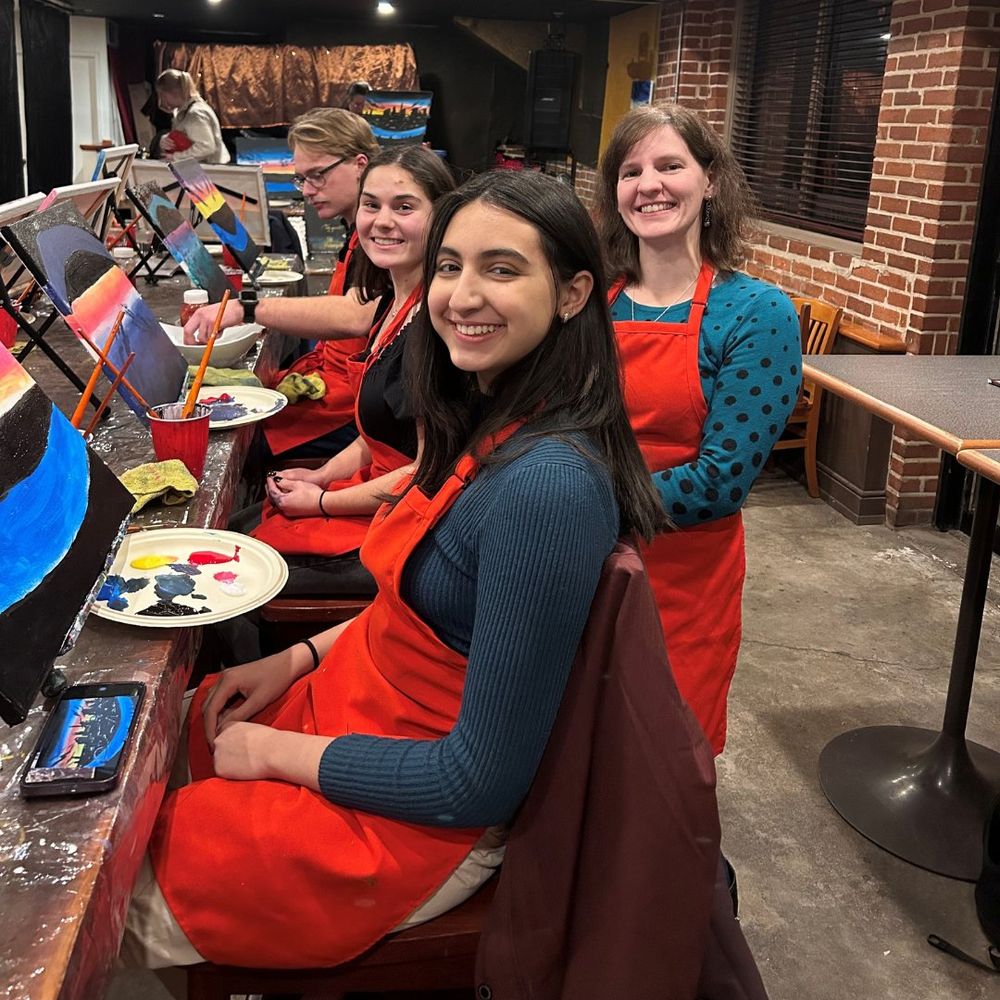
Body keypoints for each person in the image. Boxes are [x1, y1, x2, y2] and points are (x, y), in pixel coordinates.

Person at [122, 169, 666, 970]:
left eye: (503, 269)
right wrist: (296, 656)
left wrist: (274, 759)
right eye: (451, 267)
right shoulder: (488, 412)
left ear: (576, 292)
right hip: (359, 705)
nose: (462, 295)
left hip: (410, 812)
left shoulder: (548, 487)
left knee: (116, 880)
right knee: (150, 754)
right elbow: (424, 611)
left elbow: (477, 781)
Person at [596, 104, 802, 755]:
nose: (649, 184)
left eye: (669, 165)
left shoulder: (756, 312)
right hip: (576, 563)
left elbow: (721, 481)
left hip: (679, 578)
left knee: (661, 754)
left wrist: (574, 502)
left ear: (709, 180)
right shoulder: (587, 300)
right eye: (631, 171)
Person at [231, 146, 455, 617]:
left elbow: (427, 469)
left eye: (405, 207)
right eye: (371, 205)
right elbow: (378, 436)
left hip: (403, 525)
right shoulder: (393, 305)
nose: (381, 221)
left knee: (235, 570)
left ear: (443, 217)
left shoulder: (437, 323)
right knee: (233, 531)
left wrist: (323, 501)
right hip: (374, 496)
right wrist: (320, 476)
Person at [183, 108, 382, 458]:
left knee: (233, 440)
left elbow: (356, 315)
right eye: (302, 179)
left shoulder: (380, 236)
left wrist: (248, 309)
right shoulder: (356, 234)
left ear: (360, 164)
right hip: (338, 383)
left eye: (317, 176)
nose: (307, 190)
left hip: (353, 406)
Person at [154, 69, 230, 164]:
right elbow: (188, 137)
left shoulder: (195, 114)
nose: (162, 100)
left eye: (162, 95)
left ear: (171, 93)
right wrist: (166, 140)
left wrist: (176, 157)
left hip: (211, 171)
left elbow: (206, 147)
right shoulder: (185, 111)